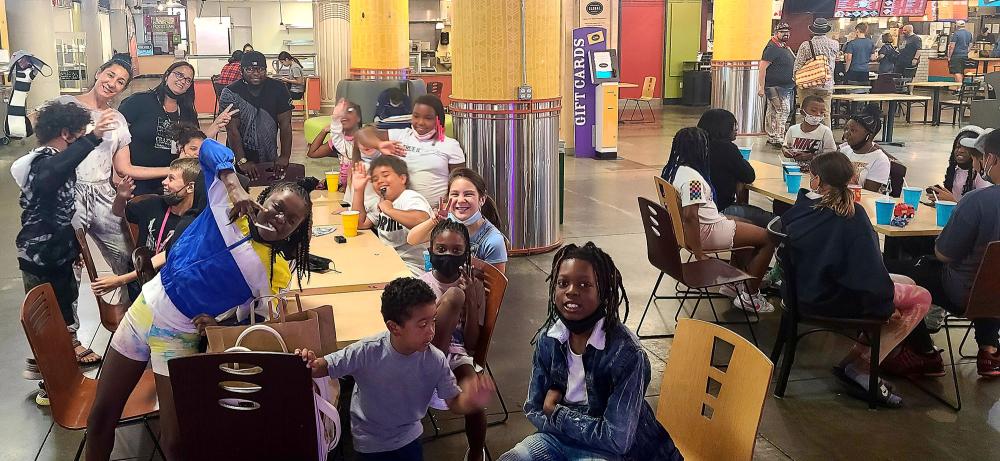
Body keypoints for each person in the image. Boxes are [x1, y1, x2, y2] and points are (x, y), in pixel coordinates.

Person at [85, 138, 317, 459]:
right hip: (142, 311)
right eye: (278, 207)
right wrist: (233, 185)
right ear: (263, 197)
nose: (280, 219)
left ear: (295, 232)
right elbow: (208, 148)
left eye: (290, 221)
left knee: (175, 441)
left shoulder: (273, 271)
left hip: (177, 336)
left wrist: (220, 322)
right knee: (100, 417)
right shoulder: (226, 205)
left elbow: (257, 323)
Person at [500, 242, 683, 461]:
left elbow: (617, 440)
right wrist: (568, 420)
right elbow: (534, 408)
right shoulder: (548, 341)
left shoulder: (627, 355)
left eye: (585, 285)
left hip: (615, 453)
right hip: (559, 440)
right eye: (563, 283)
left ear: (603, 292)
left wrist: (556, 412)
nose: (571, 291)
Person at [782, 151, 931, 407]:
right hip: (831, 298)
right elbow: (868, 272)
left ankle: (855, 360)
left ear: (815, 181)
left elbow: (864, 271)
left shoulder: (802, 209)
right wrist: (885, 307)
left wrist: (884, 299)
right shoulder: (852, 216)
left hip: (802, 290)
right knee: (921, 297)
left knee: (906, 281)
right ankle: (863, 368)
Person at [295, 277, 495, 461]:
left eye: (433, 320)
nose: (432, 331)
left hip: (409, 437)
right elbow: (324, 366)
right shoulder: (367, 351)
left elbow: (453, 402)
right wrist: (309, 361)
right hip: (369, 442)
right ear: (394, 327)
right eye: (422, 324)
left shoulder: (435, 360)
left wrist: (469, 401)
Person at [13, 103, 118, 401]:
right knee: (48, 322)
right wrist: (93, 137)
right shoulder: (36, 162)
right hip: (39, 257)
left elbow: (63, 210)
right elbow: (50, 175)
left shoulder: (57, 160)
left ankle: (53, 368)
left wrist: (74, 247)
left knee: (62, 318)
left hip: (59, 254)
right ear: (65, 134)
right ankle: (50, 383)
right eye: (79, 135)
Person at [884, 129, 1000, 378]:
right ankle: (989, 350)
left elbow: (945, 254)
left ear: (992, 159)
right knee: (990, 278)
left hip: (963, 293)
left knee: (892, 273)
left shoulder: (976, 201)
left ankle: (924, 353)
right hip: (992, 296)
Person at [661, 127, 776, 313]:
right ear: (701, 149)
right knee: (769, 238)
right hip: (707, 231)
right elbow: (691, 215)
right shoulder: (693, 181)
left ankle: (734, 284)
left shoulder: (675, 170)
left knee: (748, 226)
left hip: (702, 225)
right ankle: (750, 295)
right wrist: (699, 253)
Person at [419, 220, 489, 461]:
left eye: (457, 251)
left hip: (458, 354)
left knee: (474, 394)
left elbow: (471, 343)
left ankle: (477, 452)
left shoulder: (475, 286)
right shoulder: (422, 284)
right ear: (430, 252)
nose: (448, 255)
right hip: (425, 352)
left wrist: (470, 299)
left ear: (466, 254)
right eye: (441, 249)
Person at [118, 61, 236, 195]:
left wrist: (216, 125)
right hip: (139, 183)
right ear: (167, 75)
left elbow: (194, 144)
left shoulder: (187, 111)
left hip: (175, 184)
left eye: (188, 80)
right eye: (179, 75)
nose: (182, 81)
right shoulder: (139, 101)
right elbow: (117, 140)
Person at [355, 94, 466, 207]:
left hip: (434, 214)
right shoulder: (401, 136)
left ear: (438, 119)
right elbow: (362, 134)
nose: (420, 122)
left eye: (428, 118)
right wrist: (379, 144)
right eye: (416, 116)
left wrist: (445, 207)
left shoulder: (451, 145)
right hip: (399, 211)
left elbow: (459, 183)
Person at [407, 168, 508, 273]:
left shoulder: (493, 240)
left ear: (481, 199)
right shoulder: (445, 223)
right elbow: (412, 240)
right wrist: (433, 221)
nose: (460, 200)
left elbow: (496, 286)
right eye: (455, 194)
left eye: (468, 194)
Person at [351, 156, 433, 275]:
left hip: (414, 267)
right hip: (389, 262)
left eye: (385, 175)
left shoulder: (409, 197)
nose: (379, 180)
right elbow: (359, 223)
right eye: (374, 179)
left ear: (402, 178)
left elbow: (422, 219)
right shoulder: (383, 202)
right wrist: (358, 190)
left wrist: (389, 210)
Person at [219, 50, 293, 181]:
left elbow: (286, 125)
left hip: (269, 154)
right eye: (250, 69)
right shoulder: (230, 92)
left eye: (260, 69)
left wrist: (285, 156)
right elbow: (232, 130)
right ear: (241, 71)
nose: (256, 73)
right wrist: (242, 161)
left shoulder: (279, 88)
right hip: (239, 155)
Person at [696, 109, 772, 228]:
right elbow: (749, 175)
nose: (736, 130)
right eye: (733, 126)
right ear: (723, 128)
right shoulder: (726, 148)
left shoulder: (697, 147)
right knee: (774, 221)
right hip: (719, 211)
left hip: (701, 211)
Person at [111, 158, 199, 255]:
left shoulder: (198, 220)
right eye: (166, 177)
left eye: (171, 178)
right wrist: (121, 196)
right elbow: (118, 212)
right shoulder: (154, 204)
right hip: (141, 268)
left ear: (190, 187)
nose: (164, 182)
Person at [306, 98, 367, 200]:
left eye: (349, 113)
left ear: (358, 119)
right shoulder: (338, 141)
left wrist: (346, 186)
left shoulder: (365, 139)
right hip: (342, 187)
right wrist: (324, 131)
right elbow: (312, 153)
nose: (344, 117)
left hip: (358, 187)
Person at [928, 127, 993, 204]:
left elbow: (983, 209)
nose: (960, 150)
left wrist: (952, 201)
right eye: (958, 147)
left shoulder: (980, 176)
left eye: (966, 148)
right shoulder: (955, 170)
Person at [794, 18, 839, 126]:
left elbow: (797, 67)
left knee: (806, 113)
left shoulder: (806, 45)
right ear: (826, 30)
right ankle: (825, 139)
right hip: (826, 84)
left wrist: (796, 81)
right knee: (825, 114)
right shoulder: (834, 44)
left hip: (808, 85)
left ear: (813, 31)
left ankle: (804, 138)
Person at [839, 104, 891, 193]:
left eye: (853, 130)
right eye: (846, 129)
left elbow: (869, 194)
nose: (846, 133)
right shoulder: (844, 151)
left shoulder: (880, 160)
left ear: (869, 135)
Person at [759, 22, 795, 146]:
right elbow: (762, 67)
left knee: (773, 111)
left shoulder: (783, 46)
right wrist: (760, 87)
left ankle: (772, 135)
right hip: (776, 86)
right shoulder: (772, 48)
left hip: (784, 86)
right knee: (784, 110)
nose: (786, 34)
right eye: (783, 32)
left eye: (788, 31)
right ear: (776, 33)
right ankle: (779, 137)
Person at [782, 95, 837, 162]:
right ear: (802, 112)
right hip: (794, 168)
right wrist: (785, 151)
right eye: (813, 111)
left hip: (817, 170)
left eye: (822, 112)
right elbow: (785, 146)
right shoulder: (792, 129)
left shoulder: (825, 131)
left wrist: (811, 156)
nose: (818, 114)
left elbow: (831, 155)